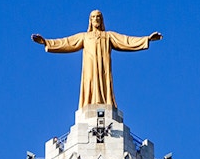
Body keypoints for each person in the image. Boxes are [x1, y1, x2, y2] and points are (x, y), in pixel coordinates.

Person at [32, 10, 161, 108]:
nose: (96, 19)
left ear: (102, 19)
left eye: (98, 16)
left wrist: (147, 39)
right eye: (93, 17)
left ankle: (106, 103)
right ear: (90, 20)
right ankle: (89, 104)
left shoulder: (108, 36)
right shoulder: (84, 36)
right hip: (90, 68)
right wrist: (46, 42)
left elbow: (126, 40)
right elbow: (67, 42)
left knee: (104, 83)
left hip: (104, 69)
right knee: (90, 82)